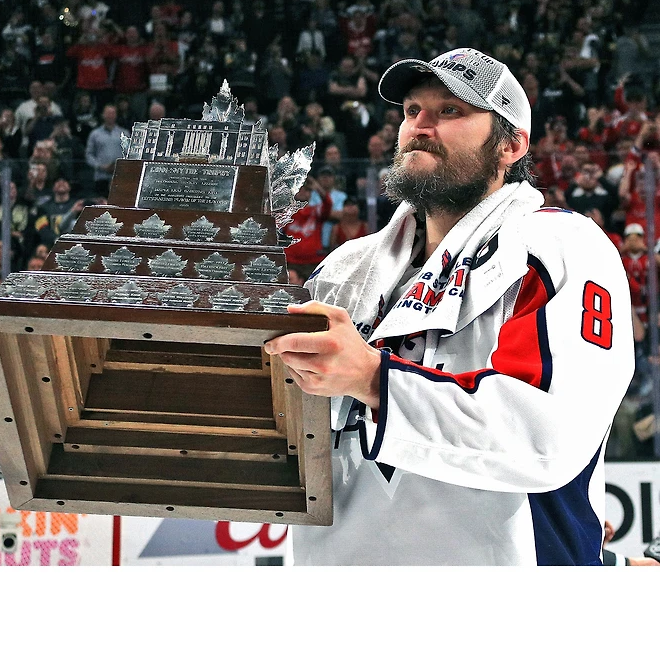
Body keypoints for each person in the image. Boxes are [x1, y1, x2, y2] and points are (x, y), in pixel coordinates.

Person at [264, 47, 634, 566]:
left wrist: (374, 379)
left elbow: (543, 436)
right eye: (412, 111)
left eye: (451, 111)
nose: (421, 125)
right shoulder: (348, 267)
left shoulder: (558, 246)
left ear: (510, 145)